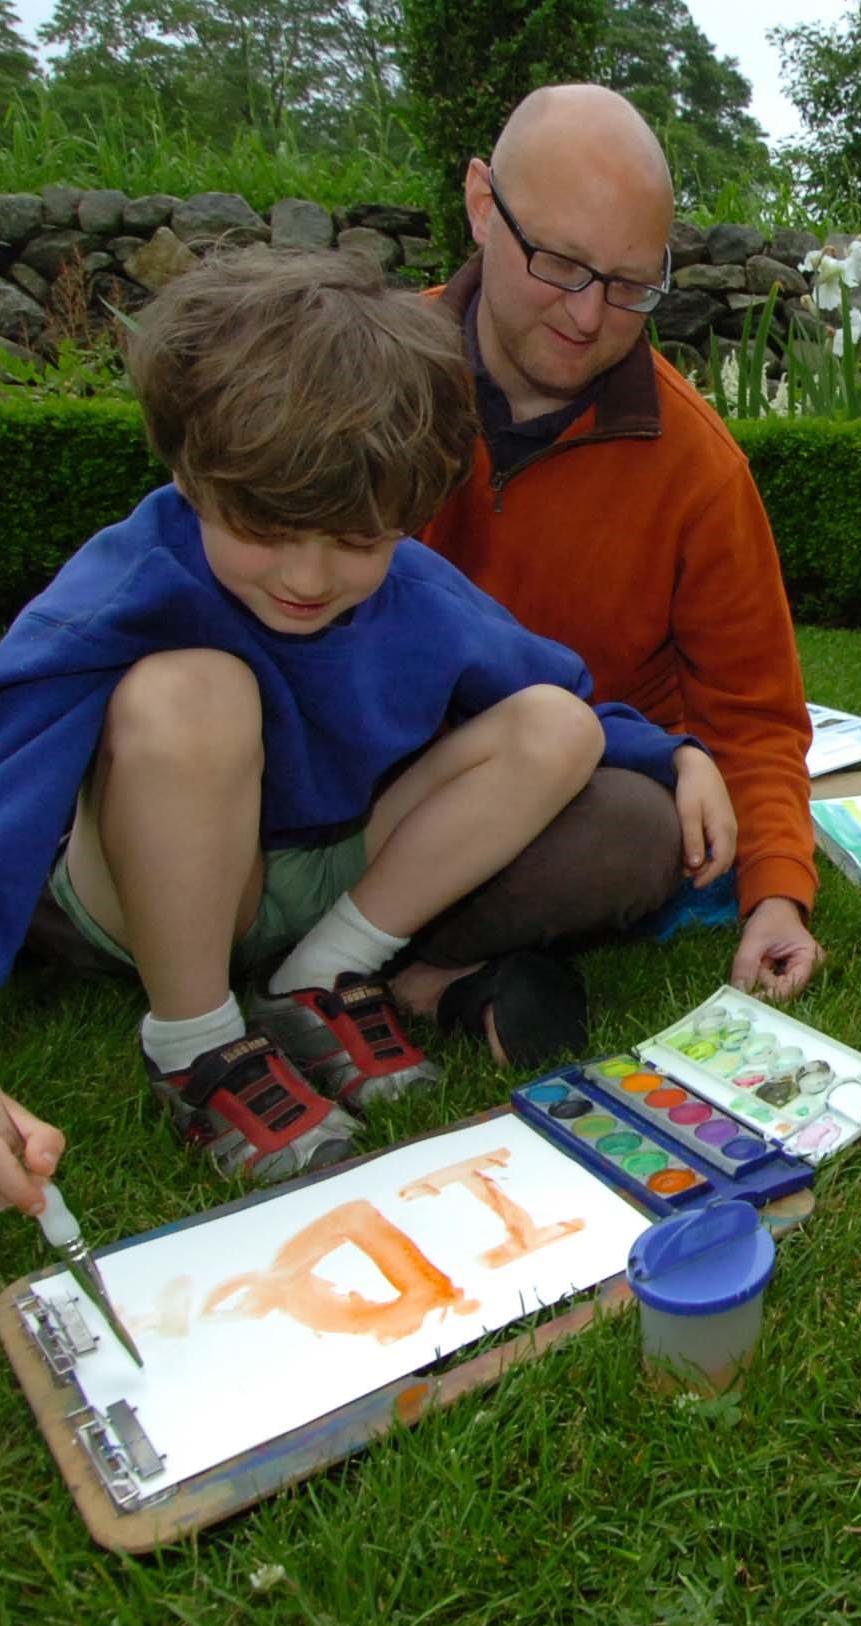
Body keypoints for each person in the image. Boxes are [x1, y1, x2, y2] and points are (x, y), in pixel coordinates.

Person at [0, 247, 727, 1184]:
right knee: (193, 691)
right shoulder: (128, 580)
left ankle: (323, 977)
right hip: (144, 888)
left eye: (354, 542)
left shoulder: (415, 588)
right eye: (264, 530)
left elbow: (554, 690)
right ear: (192, 477)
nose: (308, 579)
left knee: (558, 725)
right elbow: (13, 778)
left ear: (408, 512)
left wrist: (679, 757)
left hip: (326, 864)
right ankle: (193, 1042)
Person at [390, 83, 821, 1040]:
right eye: (561, 264)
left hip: (548, 807)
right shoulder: (361, 378)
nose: (589, 317)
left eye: (632, 286)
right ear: (479, 206)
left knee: (642, 830)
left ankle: (357, 963)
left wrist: (778, 895)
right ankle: (424, 979)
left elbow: (754, 715)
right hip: (356, 773)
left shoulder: (700, 466)